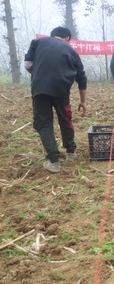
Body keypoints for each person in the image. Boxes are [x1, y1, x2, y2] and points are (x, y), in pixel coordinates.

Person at [24, 26, 87, 174]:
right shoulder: (71, 51)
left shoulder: (37, 42)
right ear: (67, 39)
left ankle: (54, 162)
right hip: (61, 90)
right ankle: (71, 152)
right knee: (65, 119)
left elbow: (27, 65)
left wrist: (40, 71)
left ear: (52, 36)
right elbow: (82, 78)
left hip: (40, 88)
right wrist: (83, 101)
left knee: (44, 124)